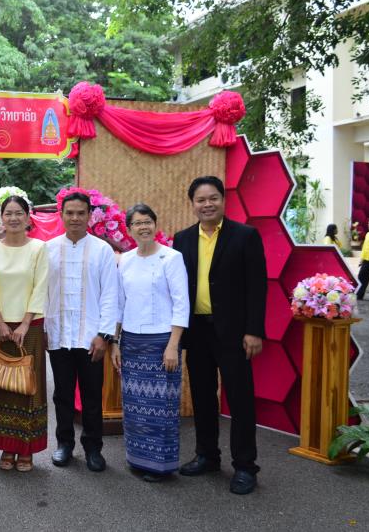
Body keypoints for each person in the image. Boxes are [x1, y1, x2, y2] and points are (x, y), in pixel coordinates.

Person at [172, 176, 267, 495]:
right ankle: (207, 455)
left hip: (234, 333)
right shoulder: (183, 239)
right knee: (202, 396)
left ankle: (245, 466)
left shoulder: (245, 236)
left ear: (223, 200)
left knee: (240, 399)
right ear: (192, 204)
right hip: (197, 331)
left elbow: (257, 287)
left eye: (213, 198)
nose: (207, 204)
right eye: (201, 200)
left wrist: (254, 330)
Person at [112, 204, 189, 482]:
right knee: (135, 406)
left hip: (162, 342)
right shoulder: (125, 260)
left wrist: (173, 345)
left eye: (148, 222)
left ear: (155, 225)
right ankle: (137, 459)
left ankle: (160, 465)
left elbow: (181, 303)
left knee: (162, 406)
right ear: (129, 229)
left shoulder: (172, 258)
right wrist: (115, 342)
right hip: (132, 342)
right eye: (137, 223)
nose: (143, 227)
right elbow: (120, 304)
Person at [45, 192, 119, 473]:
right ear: (61, 215)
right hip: (59, 334)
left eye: (80, 213)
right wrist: (44, 329)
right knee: (62, 394)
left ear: (89, 216)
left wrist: (104, 335)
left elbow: (110, 295)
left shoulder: (102, 250)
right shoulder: (48, 249)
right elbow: (42, 291)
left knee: (91, 395)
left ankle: (93, 448)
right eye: (70, 213)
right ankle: (64, 444)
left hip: (91, 338)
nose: (75, 218)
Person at [0, 196, 49, 472]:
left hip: (29, 328)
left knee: (27, 387)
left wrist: (24, 323)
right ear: (2, 218)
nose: (13, 218)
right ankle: (7, 447)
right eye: (8, 213)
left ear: (28, 217)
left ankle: (26, 449)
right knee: (2, 386)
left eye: (19, 213)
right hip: (0, 327)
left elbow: (41, 286)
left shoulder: (39, 248)